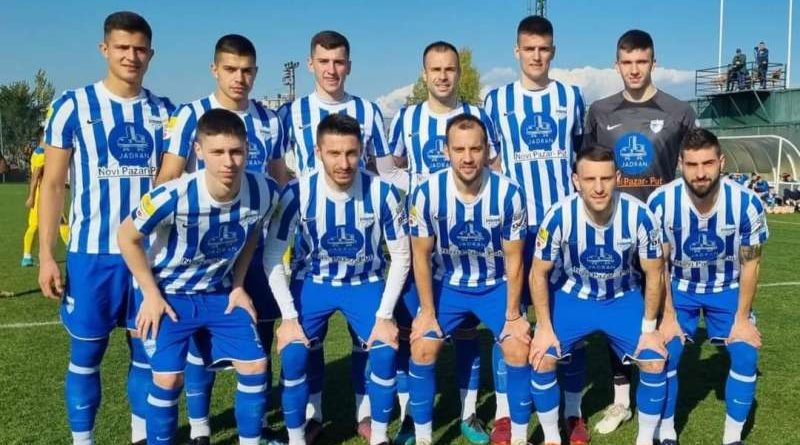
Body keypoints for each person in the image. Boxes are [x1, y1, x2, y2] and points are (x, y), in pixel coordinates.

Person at [38, 12, 174, 445]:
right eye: (122, 47)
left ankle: (140, 437)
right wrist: (46, 255)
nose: (131, 56)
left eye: (139, 49)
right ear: (104, 49)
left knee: (147, 356)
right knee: (86, 355)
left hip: (149, 257)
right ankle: (84, 441)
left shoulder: (166, 112)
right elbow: (53, 184)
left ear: (151, 54)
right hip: (91, 255)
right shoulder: (72, 106)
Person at [153, 33, 287, 445]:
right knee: (198, 340)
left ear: (256, 73)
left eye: (247, 70)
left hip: (251, 246)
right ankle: (200, 426)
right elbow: (169, 176)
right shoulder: (191, 115)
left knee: (258, 330)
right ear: (215, 69)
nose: (239, 78)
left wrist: (280, 237)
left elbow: (278, 178)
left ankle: (257, 423)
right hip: (200, 255)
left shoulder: (269, 119)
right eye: (230, 69)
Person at [118, 108, 280, 445]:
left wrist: (238, 285)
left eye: (236, 151)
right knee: (168, 379)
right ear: (199, 150)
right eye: (217, 152)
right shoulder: (172, 195)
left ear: (248, 149)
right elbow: (126, 236)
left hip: (219, 292)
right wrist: (150, 294)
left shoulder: (264, 190)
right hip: (168, 293)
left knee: (256, 366)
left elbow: (253, 229)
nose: (228, 162)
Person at [278, 32, 402, 438]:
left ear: (349, 65)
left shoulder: (367, 110)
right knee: (302, 347)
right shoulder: (292, 113)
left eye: (339, 61)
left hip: (363, 254)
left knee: (369, 343)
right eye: (324, 61)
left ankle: (366, 415)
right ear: (310, 64)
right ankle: (311, 416)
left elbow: (385, 170)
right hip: (312, 253)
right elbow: (278, 168)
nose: (331, 69)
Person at [578, 29, 697, 437]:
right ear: (616, 65)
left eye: (641, 62)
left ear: (653, 62)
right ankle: (621, 401)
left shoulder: (679, 111)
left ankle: (661, 405)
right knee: (617, 313)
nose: (634, 70)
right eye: (627, 62)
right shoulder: (599, 111)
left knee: (662, 317)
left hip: (661, 235)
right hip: (613, 233)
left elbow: (691, 169)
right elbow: (589, 167)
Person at [265, 113, 410, 445]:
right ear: (318, 152)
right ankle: (299, 434)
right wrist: (288, 317)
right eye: (334, 153)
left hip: (364, 282)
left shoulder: (383, 192)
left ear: (361, 151)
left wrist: (385, 315)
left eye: (351, 153)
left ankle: (378, 434)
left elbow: (401, 255)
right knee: (293, 352)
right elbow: (272, 256)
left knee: (384, 349)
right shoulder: (296, 193)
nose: (344, 163)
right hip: (312, 282)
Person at [387, 41, 500, 445]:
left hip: (468, 246)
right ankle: (411, 418)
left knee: (468, 332)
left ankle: (469, 414)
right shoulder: (407, 118)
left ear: (458, 72)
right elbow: (393, 164)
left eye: (449, 69)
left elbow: (494, 166)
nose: (442, 76)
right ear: (425, 74)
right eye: (435, 69)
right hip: (421, 243)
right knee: (414, 331)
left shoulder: (478, 116)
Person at [483, 14, 587, 444]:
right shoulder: (496, 101)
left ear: (553, 51)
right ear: (517, 51)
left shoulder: (571, 97)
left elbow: (579, 155)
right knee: (511, 323)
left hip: (563, 229)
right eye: (529, 49)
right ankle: (507, 414)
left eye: (544, 49)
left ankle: (572, 411)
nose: (537, 56)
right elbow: (491, 161)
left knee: (568, 321)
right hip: (516, 232)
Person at [528, 144, 667, 445]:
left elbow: (655, 272)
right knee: (542, 358)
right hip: (572, 297)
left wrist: (649, 329)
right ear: (576, 181)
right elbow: (537, 273)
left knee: (654, 360)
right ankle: (552, 437)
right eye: (590, 179)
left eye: (606, 178)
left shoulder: (639, 214)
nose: (599, 187)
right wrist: (544, 328)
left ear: (617, 177)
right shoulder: (559, 215)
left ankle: (645, 440)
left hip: (622, 298)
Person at [406, 114, 532, 445]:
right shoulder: (426, 193)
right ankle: (423, 438)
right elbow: (420, 256)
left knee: (518, 347)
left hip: (495, 284)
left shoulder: (508, 193)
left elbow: (515, 258)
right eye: (459, 149)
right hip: (448, 284)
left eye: (475, 149)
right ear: (445, 151)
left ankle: (518, 436)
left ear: (487, 150)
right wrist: (427, 312)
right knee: (422, 347)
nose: (467, 158)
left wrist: (513, 315)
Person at [648, 128, 767, 445]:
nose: (700, 173)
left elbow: (751, 264)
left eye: (708, 163)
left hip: (726, 288)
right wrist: (668, 317)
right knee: (665, 352)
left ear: (721, 162)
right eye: (692, 164)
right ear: (680, 164)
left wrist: (742, 319)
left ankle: (732, 437)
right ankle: (667, 431)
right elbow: (659, 265)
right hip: (679, 288)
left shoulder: (746, 203)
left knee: (745, 354)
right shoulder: (661, 202)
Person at [22, 133, 69, 267]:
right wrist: (31, 197)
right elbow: (35, 177)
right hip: (45, 195)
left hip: (43, 193)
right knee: (61, 222)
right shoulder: (42, 155)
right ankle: (70, 249)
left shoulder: (37, 153)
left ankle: (27, 256)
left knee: (36, 225)